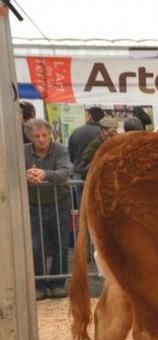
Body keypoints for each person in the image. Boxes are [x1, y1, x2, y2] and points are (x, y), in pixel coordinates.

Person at [24, 119, 73, 299]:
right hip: (34, 205)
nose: (42, 139)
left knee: (60, 244)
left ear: (50, 135)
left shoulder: (61, 150)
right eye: (37, 136)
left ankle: (57, 284)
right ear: (31, 137)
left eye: (44, 135)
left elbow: (65, 172)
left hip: (59, 203)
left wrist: (44, 175)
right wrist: (26, 175)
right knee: (36, 246)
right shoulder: (23, 151)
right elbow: (13, 171)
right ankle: (39, 285)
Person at [67, 106, 105, 177]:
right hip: (98, 173)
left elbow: (70, 155)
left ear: (90, 116)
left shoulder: (77, 131)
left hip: (78, 172)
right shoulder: (104, 134)